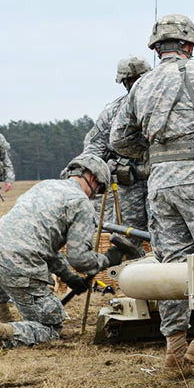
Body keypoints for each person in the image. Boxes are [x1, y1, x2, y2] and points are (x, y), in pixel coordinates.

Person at [110, 14, 194, 369]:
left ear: (156, 49)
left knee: (169, 267)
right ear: (189, 45)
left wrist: (155, 149)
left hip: (159, 185)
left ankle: (174, 347)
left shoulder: (141, 85)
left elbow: (119, 138)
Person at [0, 154, 130, 350]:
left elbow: (45, 244)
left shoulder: (44, 186)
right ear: (93, 178)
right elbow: (80, 259)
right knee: (50, 326)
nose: (95, 196)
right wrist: (109, 258)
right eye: (100, 190)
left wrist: (68, 276)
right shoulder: (80, 203)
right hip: (16, 261)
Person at [83, 56, 152, 248]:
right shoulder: (113, 112)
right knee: (126, 240)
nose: (137, 84)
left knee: (165, 236)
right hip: (128, 186)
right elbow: (93, 150)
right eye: (132, 80)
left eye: (141, 78)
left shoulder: (163, 106)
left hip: (160, 181)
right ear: (125, 83)